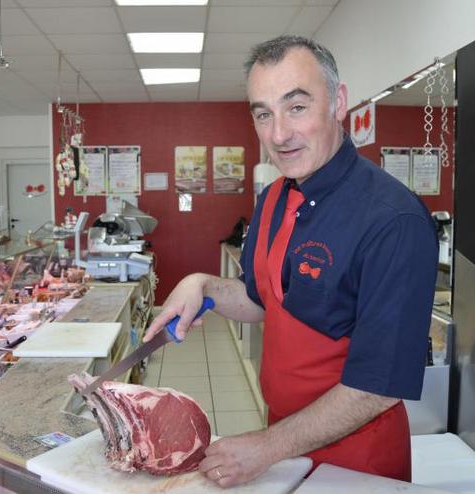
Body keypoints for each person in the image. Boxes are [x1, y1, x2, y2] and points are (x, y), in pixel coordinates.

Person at [144, 35, 438, 487]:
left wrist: (266, 446)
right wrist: (202, 284)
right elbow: (261, 300)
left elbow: (378, 387)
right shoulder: (276, 196)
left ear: (337, 102)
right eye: (264, 113)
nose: (278, 134)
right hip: (283, 437)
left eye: (296, 107)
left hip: (358, 458)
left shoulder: (393, 220)